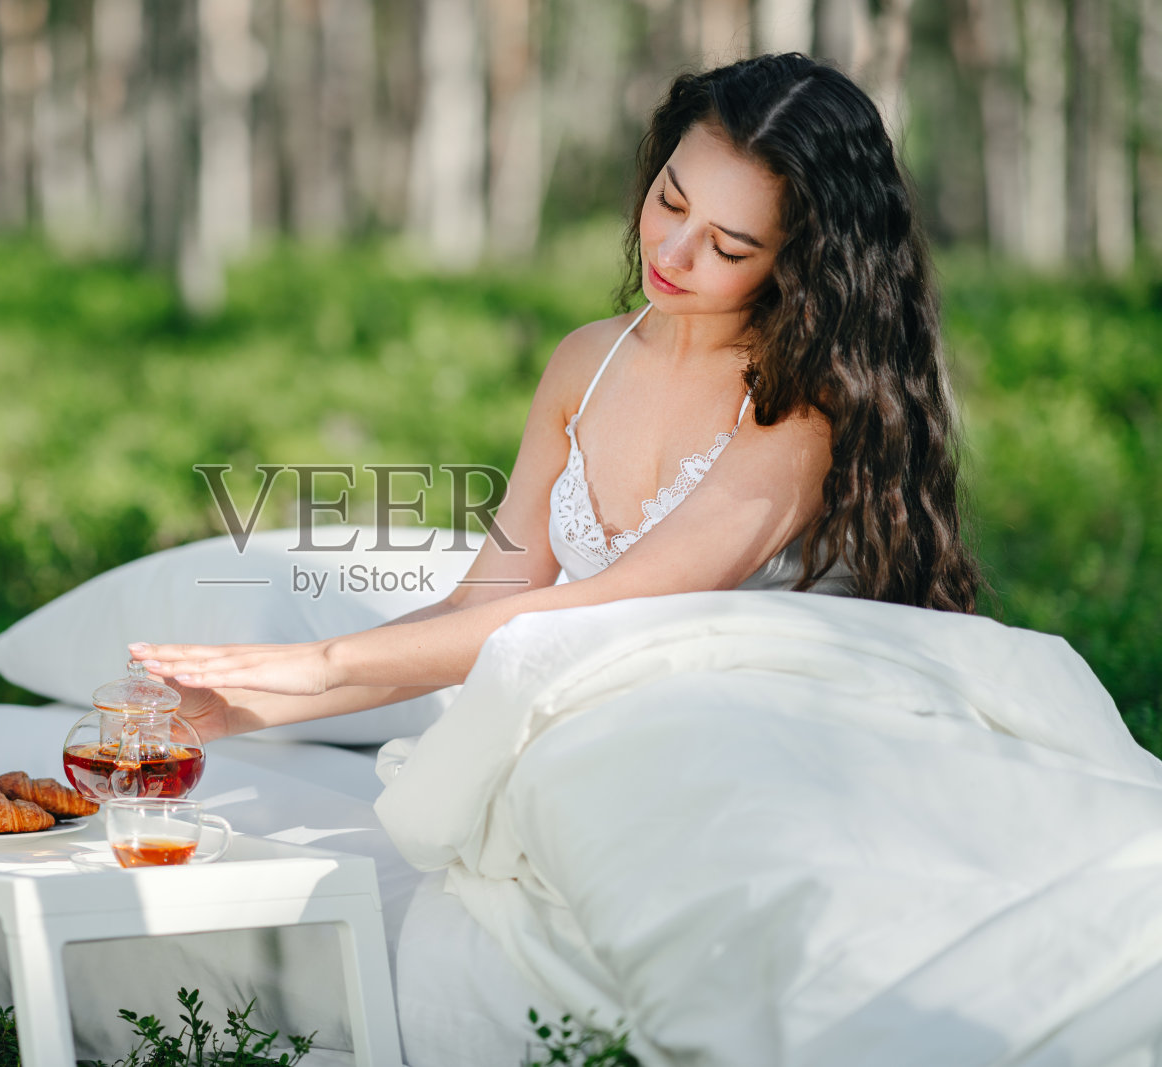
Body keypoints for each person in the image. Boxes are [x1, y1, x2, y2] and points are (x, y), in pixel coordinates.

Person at [132, 53, 983, 738]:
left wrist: (321, 661)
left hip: (760, 740)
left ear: (798, 265)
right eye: (670, 201)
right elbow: (487, 605)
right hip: (607, 732)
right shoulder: (587, 361)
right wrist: (247, 706)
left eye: (727, 247)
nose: (672, 253)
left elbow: (617, 606)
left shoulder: (802, 406)